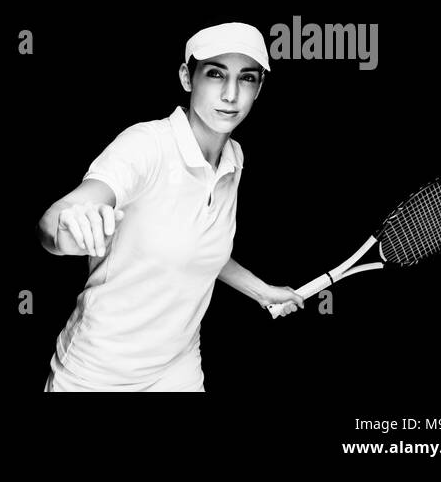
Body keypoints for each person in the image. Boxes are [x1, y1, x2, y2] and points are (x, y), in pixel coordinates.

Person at [36, 22, 303, 392]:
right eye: (215, 74)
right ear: (186, 77)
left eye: (246, 78)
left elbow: (199, 247)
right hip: (97, 372)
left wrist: (262, 290)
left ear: (259, 88)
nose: (230, 94)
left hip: (178, 371)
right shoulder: (146, 145)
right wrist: (67, 224)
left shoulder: (233, 160)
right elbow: (58, 221)